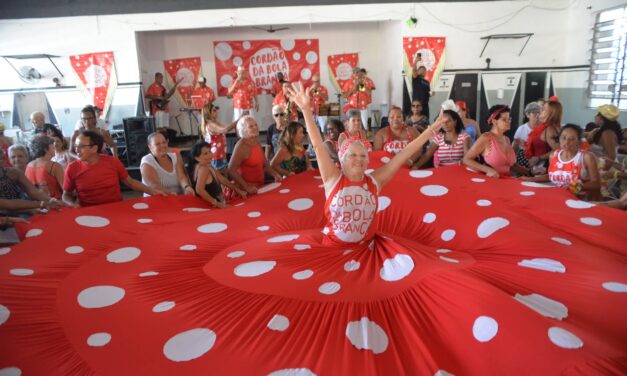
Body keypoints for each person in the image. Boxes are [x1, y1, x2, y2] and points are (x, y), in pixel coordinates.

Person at [287, 81, 443, 245]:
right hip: (333, 249)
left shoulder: (375, 181)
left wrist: (432, 129)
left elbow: (405, 153)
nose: (359, 160)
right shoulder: (333, 179)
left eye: (363, 156)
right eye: (353, 155)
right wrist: (305, 109)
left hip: (366, 251)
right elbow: (318, 145)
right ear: (342, 159)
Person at [63, 130, 167, 207]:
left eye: (80, 146)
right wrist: (72, 204)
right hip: (89, 213)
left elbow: (131, 182)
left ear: (94, 148)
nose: (76, 150)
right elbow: (66, 195)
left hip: (117, 209)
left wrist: (154, 192)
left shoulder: (112, 162)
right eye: (76, 145)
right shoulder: (72, 168)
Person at [523, 124, 600, 200]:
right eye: (564, 138)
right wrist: (530, 179)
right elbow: (551, 176)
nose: (567, 142)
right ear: (559, 139)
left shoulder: (586, 157)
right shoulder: (554, 155)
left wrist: (579, 186)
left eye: (572, 139)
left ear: (578, 141)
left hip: (577, 201)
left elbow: (596, 184)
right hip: (557, 197)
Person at [463, 105, 529, 178]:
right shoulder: (486, 138)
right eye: (504, 119)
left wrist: (529, 171)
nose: (509, 121)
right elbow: (466, 159)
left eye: (509, 118)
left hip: (507, 182)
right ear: (494, 121)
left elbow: (510, 165)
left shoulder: (507, 139)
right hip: (490, 183)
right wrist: (488, 170)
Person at [228, 116, 281, 195]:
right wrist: (246, 187)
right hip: (246, 192)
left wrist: (276, 175)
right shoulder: (241, 146)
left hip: (260, 188)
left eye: (256, 125)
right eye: (251, 126)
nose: (255, 127)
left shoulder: (256, 141)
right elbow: (231, 170)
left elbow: (265, 164)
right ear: (244, 130)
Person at [188, 141, 246, 208]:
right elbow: (199, 190)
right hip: (210, 206)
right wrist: (217, 203)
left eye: (210, 151)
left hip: (212, 204)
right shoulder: (204, 169)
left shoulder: (206, 165)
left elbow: (222, 180)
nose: (210, 155)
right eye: (205, 154)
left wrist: (237, 190)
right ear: (197, 158)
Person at [140, 132, 194, 197]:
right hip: (156, 200)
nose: (162, 145)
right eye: (158, 144)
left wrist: (186, 187)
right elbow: (154, 185)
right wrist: (171, 194)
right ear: (150, 147)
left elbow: (181, 177)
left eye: (164, 142)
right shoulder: (147, 161)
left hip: (176, 198)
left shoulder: (174, 156)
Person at [525, 97, 562, 169]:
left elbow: (559, 150)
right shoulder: (544, 127)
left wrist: (539, 158)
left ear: (551, 113)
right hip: (538, 167)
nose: (540, 110)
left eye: (543, 109)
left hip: (545, 168)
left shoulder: (550, 129)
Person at [200, 103, 237, 172]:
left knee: (224, 173)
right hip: (216, 156)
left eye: (216, 110)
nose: (216, 112)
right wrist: (238, 121)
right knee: (220, 175)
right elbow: (225, 130)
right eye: (214, 110)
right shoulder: (210, 124)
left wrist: (236, 123)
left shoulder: (215, 123)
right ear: (208, 113)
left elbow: (226, 128)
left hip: (220, 154)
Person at [513, 102, 543, 169]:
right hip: (524, 156)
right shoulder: (521, 129)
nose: (537, 115)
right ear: (528, 115)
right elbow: (515, 146)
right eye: (534, 113)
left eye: (539, 112)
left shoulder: (545, 128)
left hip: (541, 156)